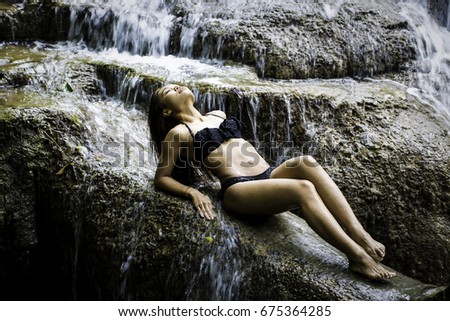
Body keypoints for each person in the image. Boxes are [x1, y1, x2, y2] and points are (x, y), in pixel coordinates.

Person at [148, 84, 396, 281]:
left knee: (307, 162)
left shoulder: (218, 114)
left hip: (268, 176)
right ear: (166, 111)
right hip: (239, 189)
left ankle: (360, 235)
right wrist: (192, 192)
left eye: (178, 84)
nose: (177, 87)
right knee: (303, 188)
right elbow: (162, 178)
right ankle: (356, 257)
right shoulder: (179, 133)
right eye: (168, 90)